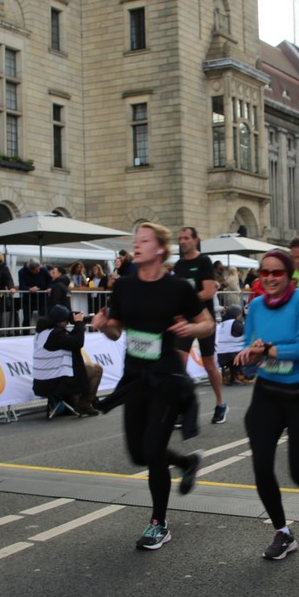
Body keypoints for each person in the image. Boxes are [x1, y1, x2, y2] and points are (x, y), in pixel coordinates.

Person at [90, 223, 213, 551]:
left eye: (144, 241)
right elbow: (116, 330)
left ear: (159, 249)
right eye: (136, 240)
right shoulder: (124, 285)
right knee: (138, 453)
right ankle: (186, 463)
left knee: (154, 449)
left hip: (167, 377)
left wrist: (192, 329)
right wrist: (103, 326)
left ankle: (159, 523)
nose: (137, 245)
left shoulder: (178, 288)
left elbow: (207, 323)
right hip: (136, 377)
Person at [235, 249, 299, 559]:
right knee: (261, 465)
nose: (269, 278)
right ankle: (282, 532)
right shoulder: (256, 306)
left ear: (289, 275)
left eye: (276, 273)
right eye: (264, 272)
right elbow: (249, 351)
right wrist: (250, 356)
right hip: (268, 392)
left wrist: (267, 349)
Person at [173, 226, 228, 424]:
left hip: (204, 320)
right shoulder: (178, 265)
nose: (182, 241)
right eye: (180, 238)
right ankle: (183, 407)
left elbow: (208, 291)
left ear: (195, 240)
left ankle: (220, 403)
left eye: (186, 238)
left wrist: (187, 299)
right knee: (179, 362)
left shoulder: (204, 261)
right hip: (185, 321)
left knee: (209, 364)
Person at [32, 304, 101, 416]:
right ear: (61, 321)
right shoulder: (56, 334)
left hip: (41, 383)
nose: (67, 323)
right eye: (66, 321)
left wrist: (80, 324)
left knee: (81, 369)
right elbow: (77, 342)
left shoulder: (43, 333)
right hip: (55, 382)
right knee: (96, 369)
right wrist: (78, 323)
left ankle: (74, 401)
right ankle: (84, 403)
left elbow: (70, 339)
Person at [17, 259, 49, 329]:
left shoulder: (43, 270)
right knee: (27, 317)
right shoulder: (22, 272)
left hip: (42, 297)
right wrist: (29, 289)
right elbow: (22, 286)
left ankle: (43, 331)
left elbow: (50, 280)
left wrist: (49, 287)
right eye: (36, 270)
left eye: (39, 268)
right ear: (30, 269)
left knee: (43, 317)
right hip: (28, 298)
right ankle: (25, 332)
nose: (38, 271)